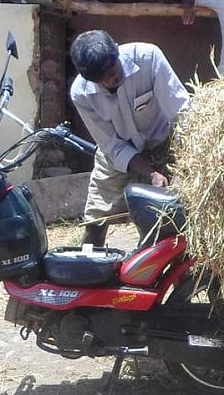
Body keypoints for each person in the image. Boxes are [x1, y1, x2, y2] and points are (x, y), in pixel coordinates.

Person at [69, 30, 191, 247]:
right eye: (102, 78)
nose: (112, 79)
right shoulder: (81, 93)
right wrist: (150, 172)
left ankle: (157, 264)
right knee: (97, 215)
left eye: (113, 70)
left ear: (117, 50)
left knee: (171, 214)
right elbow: (110, 144)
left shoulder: (148, 57)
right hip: (118, 152)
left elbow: (181, 113)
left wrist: (186, 162)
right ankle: (90, 266)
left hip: (164, 143)